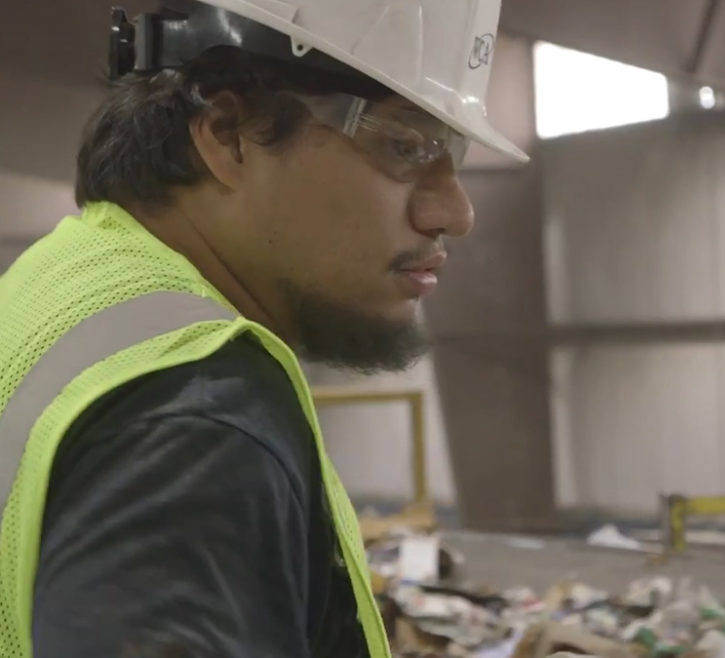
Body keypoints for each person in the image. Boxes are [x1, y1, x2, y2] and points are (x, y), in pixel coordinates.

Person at [0, 0, 527, 656]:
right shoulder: (193, 422)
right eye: (405, 146)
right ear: (229, 135)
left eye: (454, 155)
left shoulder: (59, 289)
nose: (455, 212)